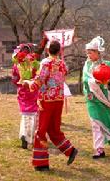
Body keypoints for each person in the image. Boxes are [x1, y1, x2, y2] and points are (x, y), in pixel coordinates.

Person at [27, 40, 78, 171]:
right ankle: (70, 150)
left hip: (46, 101)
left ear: (48, 50)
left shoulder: (45, 62)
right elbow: (62, 76)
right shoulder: (62, 63)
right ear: (59, 51)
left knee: (41, 130)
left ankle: (41, 163)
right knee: (54, 129)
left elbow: (40, 80)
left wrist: (29, 84)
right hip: (58, 99)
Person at [82, 36, 110, 159]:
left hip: (107, 99)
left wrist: (107, 81)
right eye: (88, 52)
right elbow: (85, 80)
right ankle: (99, 149)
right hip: (93, 99)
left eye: (91, 52)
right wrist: (93, 82)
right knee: (95, 123)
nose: (88, 55)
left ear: (98, 53)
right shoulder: (87, 65)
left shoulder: (107, 64)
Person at [11, 43, 39, 149]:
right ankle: (29, 137)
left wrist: (20, 83)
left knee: (24, 114)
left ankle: (23, 134)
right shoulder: (33, 63)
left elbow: (14, 79)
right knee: (32, 115)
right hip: (32, 90)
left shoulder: (17, 65)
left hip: (22, 91)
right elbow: (38, 75)